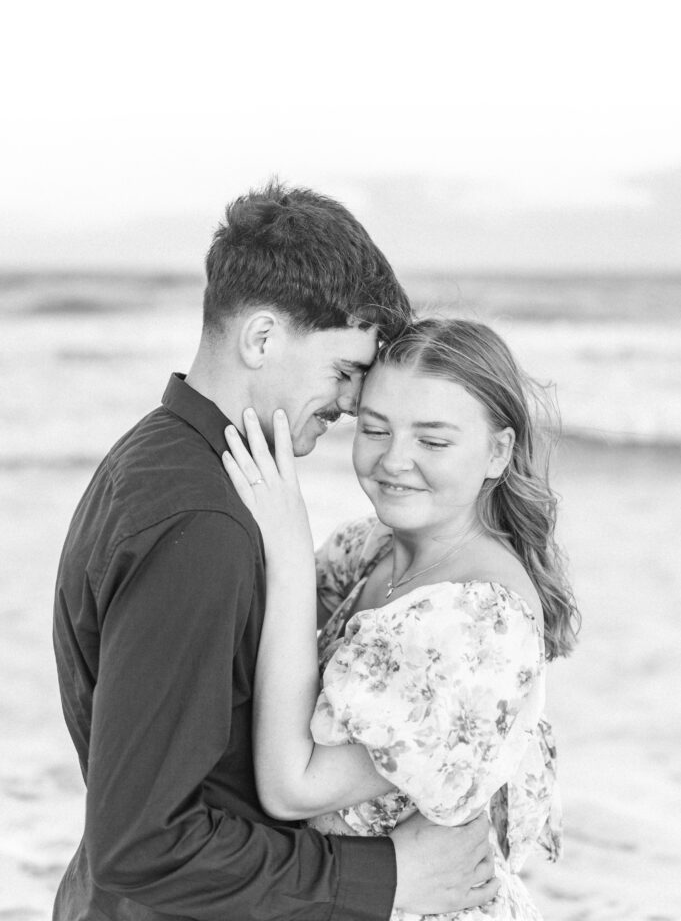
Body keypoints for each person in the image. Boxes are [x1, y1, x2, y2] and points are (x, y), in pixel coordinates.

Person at [52, 183, 501, 921]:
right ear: (261, 339)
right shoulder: (201, 527)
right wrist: (386, 878)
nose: (354, 402)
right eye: (345, 369)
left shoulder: (160, 459)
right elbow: (143, 846)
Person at [222, 317, 581, 921]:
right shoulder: (375, 548)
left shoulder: (476, 622)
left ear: (498, 451)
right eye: (375, 429)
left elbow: (293, 787)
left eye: (433, 441)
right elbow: (250, 623)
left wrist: (286, 553)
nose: (395, 460)